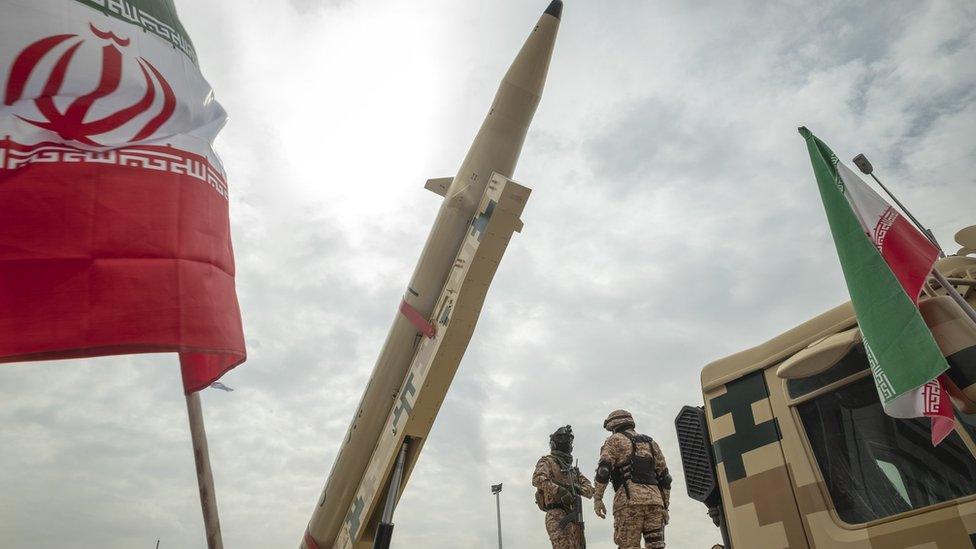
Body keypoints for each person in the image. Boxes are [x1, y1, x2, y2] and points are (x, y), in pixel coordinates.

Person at [592, 410, 671, 549]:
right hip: (655, 503)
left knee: (628, 545)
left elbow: (603, 471)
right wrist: (665, 506)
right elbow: (665, 478)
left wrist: (598, 498)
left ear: (613, 427)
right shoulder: (651, 443)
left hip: (629, 502)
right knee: (656, 546)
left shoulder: (614, 440)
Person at [532, 425, 594, 548]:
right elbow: (538, 479)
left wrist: (576, 488)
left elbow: (590, 490)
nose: (569, 444)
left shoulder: (572, 470)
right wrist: (560, 491)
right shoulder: (547, 461)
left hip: (573, 515)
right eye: (566, 441)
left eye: (570, 441)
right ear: (555, 444)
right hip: (556, 514)